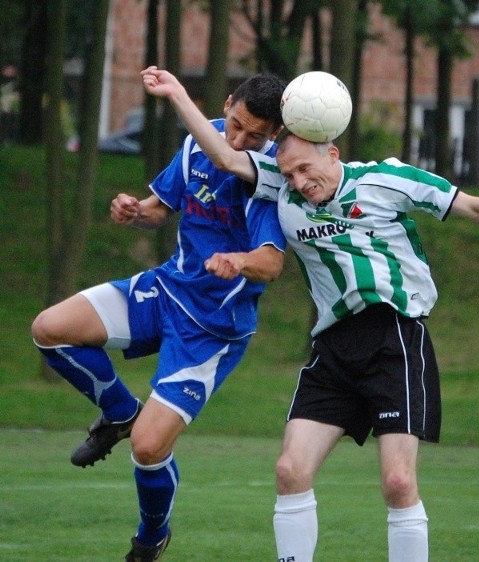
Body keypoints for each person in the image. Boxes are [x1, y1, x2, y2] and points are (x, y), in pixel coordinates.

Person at [140, 66, 479, 562]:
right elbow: (220, 153)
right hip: (333, 348)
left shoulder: (386, 180)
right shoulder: (280, 186)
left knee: (398, 480)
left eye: (306, 169)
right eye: (290, 174)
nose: (300, 182)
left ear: (333, 151)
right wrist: (176, 94)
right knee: (289, 471)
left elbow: (476, 208)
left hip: (394, 340)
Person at [31, 72, 287, 561]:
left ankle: (151, 537)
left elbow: (272, 262)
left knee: (148, 448)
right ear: (227, 103)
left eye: (253, 135)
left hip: (212, 329)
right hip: (166, 289)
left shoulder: (270, 174)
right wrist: (132, 209)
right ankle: (120, 412)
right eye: (234, 125)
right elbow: (158, 209)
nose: (238, 140)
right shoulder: (197, 144)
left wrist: (241, 261)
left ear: (272, 135)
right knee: (50, 329)